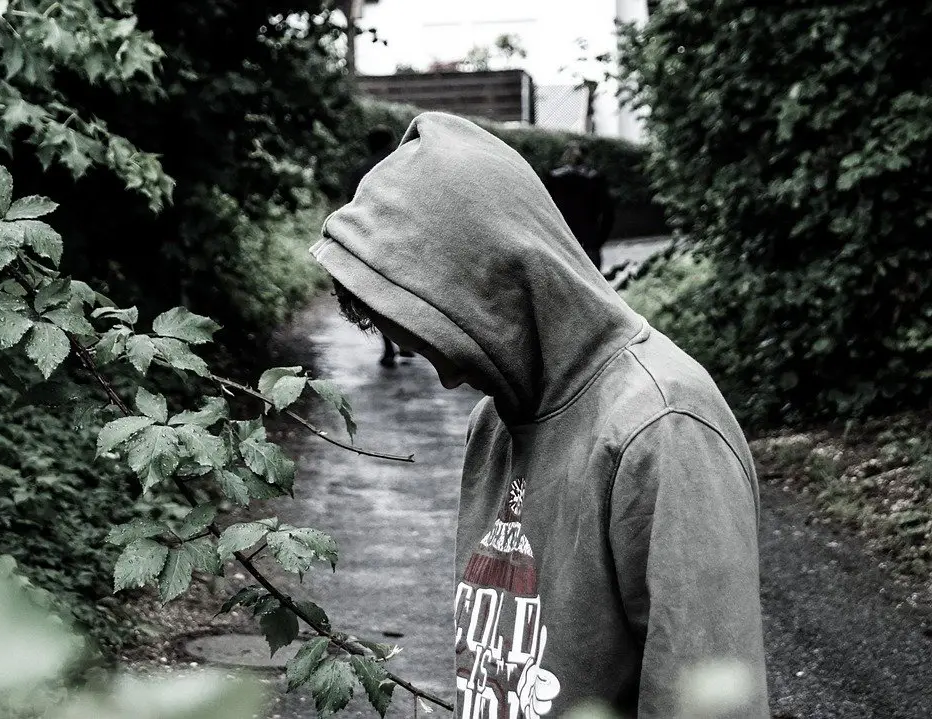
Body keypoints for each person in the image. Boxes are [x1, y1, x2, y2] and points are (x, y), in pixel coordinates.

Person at [312, 112, 768, 719]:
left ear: (504, 284)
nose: (446, 376)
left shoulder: (664, 427)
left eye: (445, 340)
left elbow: (713, 706)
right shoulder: (496, 422)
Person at [348, 125, 414, 367]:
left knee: (379, 297)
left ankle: (389, 348)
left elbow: (351, 208)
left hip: (372, 240)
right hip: (402, 239)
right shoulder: (404, 166)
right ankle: (407, 342)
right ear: (390, 143)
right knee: (405, 292)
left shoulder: (359, 172)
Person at [543, 141, 616, 271]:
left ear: (566, 156)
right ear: (586, 157)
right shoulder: (595, 179)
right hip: (589, 242)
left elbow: (544, 211)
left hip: (561, 242)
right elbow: (608, 215)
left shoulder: (554, 179)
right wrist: (598, 241)